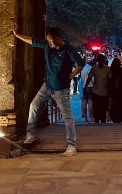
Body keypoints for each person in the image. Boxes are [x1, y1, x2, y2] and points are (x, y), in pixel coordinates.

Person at [12, 24, 83, 156]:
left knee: (68, 117)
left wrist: (73, 74)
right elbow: (32, 41)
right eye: (48, 41)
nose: (49, 43)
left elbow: (81, 63)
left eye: (51, 41)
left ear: (57, 38)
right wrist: (17, 35)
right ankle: (30, 134)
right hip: (47, 85)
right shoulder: (47, 47)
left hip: (61, 89)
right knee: (33, 106)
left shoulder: (69, 50)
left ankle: (72, 145)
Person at [85, 54, 111, 124]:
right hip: (99, 90)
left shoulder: (106, 68)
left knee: (99, 105)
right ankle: (99, 118)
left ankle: (100, 118)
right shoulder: (95, 68)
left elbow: (89, 77)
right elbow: (89, 77)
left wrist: (86, 86)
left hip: (101, 90)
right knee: (99, 105)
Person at [107, 57, 122, 123]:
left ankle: (113, 116)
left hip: (112, 90)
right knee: (120, 104)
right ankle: (119, 116)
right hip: (120, 90)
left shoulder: (110, 70)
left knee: (112, 103)